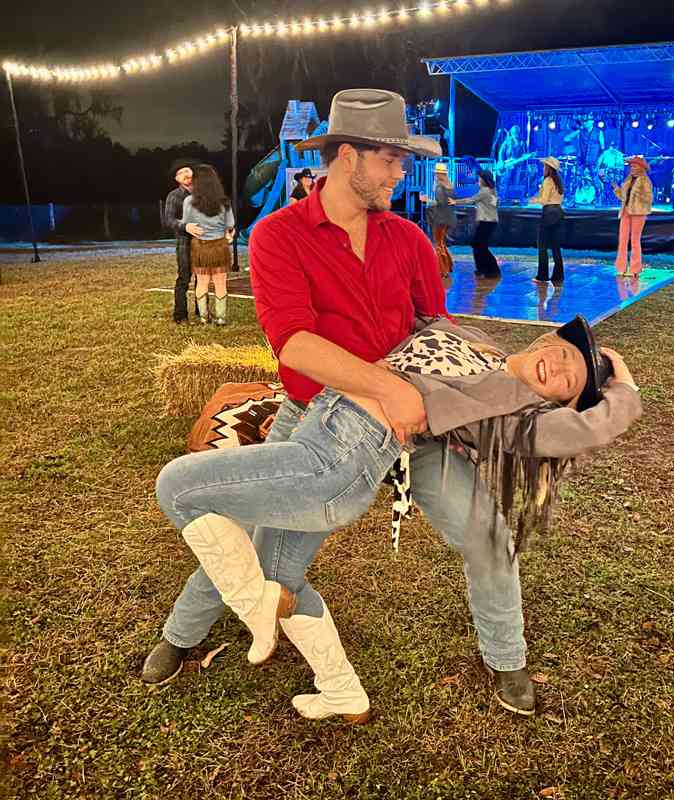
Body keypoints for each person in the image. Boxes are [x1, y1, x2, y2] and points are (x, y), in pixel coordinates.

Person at [141, 89, 640, 722]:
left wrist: (472, 397)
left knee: (488, 534)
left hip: (421, 428)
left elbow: (433, 326)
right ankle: (180, 637)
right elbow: (293, 343)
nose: (401, 173)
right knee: (266, 551)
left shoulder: (405, 237)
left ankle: (506, 658)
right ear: (347, 156)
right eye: (391, 160)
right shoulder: (277, 237)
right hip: (323, 417)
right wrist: (382, 387)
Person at [182, 164, 235, 325]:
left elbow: (187, 224)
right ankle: (221, 317)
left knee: (202, 282)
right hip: (220, 246)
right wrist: (228, 234)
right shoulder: (224, 202)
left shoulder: (189, 201)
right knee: (220, 283)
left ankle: (204, 317)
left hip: (200, 246)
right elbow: (230, 224)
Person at [164, 159, 197, 324]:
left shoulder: (202, 194)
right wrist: (186, 226)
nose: (186, 174)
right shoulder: (174, 196)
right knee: (184, 278)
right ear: (177, 179)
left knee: (203, 279)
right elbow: (169, 220)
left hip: (203, 244)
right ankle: (180, 315)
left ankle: (202, 312)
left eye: (188, 170)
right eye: (181, 172)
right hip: (185, 243)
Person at [449, 169, 500, 278]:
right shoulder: (493, 190)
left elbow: (470, 200)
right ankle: (481, 269)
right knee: (478, 245)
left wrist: (455, 202)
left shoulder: (485, 191)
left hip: (487, 222)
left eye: (480, 178)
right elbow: (494, 204)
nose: (478, 180)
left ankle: (492, 270)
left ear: (484, 180)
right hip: (489, 221)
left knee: (480, 246)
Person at [613, 155, 653, 277]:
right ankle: (621, 267)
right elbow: (623, 197)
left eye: (634, 166)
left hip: (638, 212)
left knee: (635, 240)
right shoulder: (628, 180)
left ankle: (635, 269)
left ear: (641, 167)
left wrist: (638, 198)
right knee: (623, 239)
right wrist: (616, 189)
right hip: (626, 211)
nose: (632, 168)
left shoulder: (645, 181)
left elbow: (648, 198)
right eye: (631, 166)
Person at [529, 157, 566, 284]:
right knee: (555, 246)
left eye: (545, 166)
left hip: (549, 212)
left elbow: (544, 200)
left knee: (542, 245)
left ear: (549, 168)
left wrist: (534, 200)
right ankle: (558, 275)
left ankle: (542, 275)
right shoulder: (558, 181)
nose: (543, 168)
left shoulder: (548, 181)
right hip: (558, 212)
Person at [421, 162, 456, 277]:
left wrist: (427, 200)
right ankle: (447, 266)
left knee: (438, 244)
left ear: (439, 174)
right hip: (448, 218)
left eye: (436, 173)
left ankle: (442, 270)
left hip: (440, 218)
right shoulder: (450, 186)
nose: (435, 175)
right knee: (442, 243)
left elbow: (440, 203)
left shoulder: (439, 187)